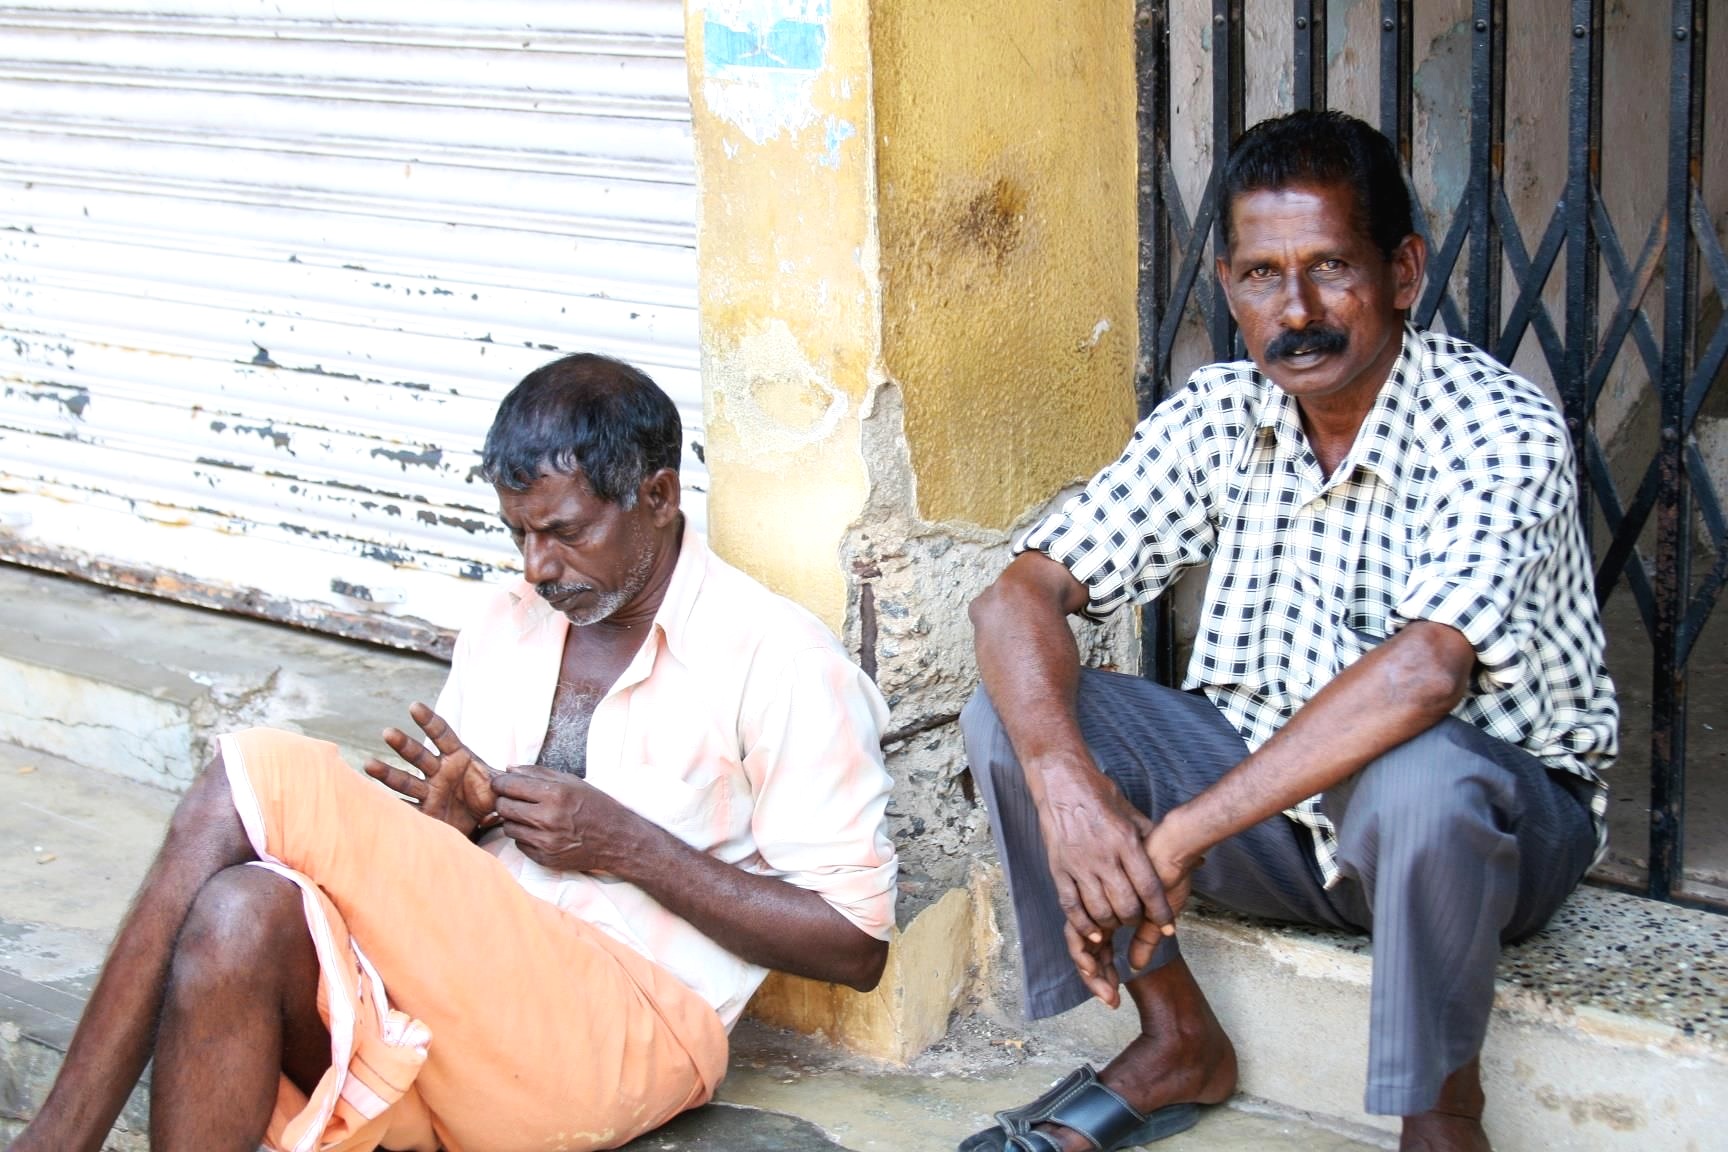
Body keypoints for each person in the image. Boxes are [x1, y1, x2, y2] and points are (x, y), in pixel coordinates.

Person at [9, 354, 898, 1152]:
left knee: (252, 777)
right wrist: (452, 831)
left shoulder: (781, 662)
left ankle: (55, 1143)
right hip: (464, 1028)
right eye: (519, 534)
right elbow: (473, 893)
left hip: (622, 1039)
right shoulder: (507, 625)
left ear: (659, 498)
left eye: (565, 531)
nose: (537, 566)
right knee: (242, 914)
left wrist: (624, 844)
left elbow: (854, 945)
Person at [960, 110, 1615, 1152]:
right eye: (1262, 276)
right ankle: (1177, 1039)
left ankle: (1442, 1117)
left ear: (1402, 271)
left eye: (1329, 269)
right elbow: (1014, 599)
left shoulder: (1495, 424)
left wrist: (1179, 834)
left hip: (1483, 833)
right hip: (1275, 811)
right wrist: (1065, 785)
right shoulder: (1221, 413)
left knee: (1422, 778)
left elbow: (1427, 675)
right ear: (1227, 285)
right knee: (1016, 715)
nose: (1295, 311)